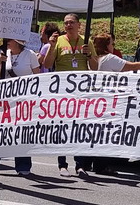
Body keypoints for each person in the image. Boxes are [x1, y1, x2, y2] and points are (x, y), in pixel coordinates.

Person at [42, 13, 99, 176]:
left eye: (72, 22)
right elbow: (47, 64)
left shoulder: (86, 41)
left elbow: (95, 67)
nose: (68, 25)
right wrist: (51, 46)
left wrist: (89, 55)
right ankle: (62, 164)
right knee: (62, 127)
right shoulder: (58, 41)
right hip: (62, 91)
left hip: (80, 92)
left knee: (78, 127)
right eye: (66, 23)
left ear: (79, 25)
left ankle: (80, 165)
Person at [0, 37, 40, 177]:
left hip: (24, 99)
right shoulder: (4, 53)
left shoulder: (29, 54)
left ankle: (23, 165)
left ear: (18, 42)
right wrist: (0, 62)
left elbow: (38, 76)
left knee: (22, 131)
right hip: (5, 98)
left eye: (10, 40)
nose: (7, 43)